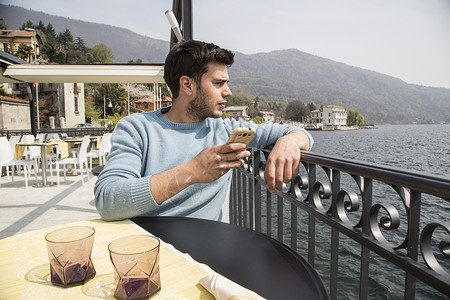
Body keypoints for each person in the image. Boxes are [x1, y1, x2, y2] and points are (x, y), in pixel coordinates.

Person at [94, 40, 313, 222]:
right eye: (219, 83)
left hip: (207, 251)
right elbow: (108, 201)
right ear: (187, 85)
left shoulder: (225, 128)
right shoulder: (137, 128)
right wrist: (192, 171)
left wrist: (290, 142)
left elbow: (298, 133)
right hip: (150, 250)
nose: (228, 92)